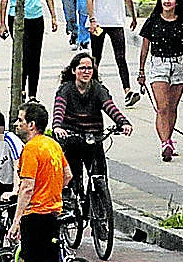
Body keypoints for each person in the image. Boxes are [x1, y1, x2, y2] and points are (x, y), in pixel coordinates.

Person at [6, 100, 71, 262]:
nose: (16, 123)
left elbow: (26, 187)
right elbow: (68, 175)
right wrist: (53, 192)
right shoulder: (53, 145)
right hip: (54, 212)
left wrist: (16, 222)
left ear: (31, 125)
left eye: (20, 120)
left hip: (36, 216)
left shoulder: (31, 149)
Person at [51, 51, 132, 211]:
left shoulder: (98, 89)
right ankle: (69, 196)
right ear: (74, 70)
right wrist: (58, 126)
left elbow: (110, 107)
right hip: (72, 136)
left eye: (89, 68)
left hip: (93, 136)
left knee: (99, 171)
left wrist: (123, 122)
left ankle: (100, 202)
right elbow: (59, 109)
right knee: (72, 171)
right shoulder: (66, 89)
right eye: (82, 68)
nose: (86, 72)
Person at [138, 0, 183, 162]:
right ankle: (165, 143)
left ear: (176, 1)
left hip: (178, 64)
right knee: (162, 107)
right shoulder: (153, 21)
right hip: (159, 64)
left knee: (172, 107)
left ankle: (169, 139)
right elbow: (145, 47)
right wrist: (141, 70)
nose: (167, 1)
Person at [84, 0, 140, 107]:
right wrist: (92, 19)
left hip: (116, 23)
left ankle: (128, 90)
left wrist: (133, 16)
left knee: (121, 57)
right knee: (96, 57)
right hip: (99, 23)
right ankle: (90, 88)